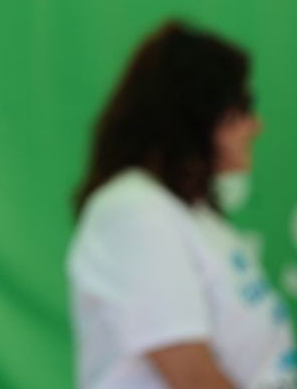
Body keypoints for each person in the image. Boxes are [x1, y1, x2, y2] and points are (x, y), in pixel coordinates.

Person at [67, 21, 295, 389]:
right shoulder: (133, 211)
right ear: (197, 113)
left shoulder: (195, 215)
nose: (256, 125)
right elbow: (193, 377)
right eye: (243, 106)